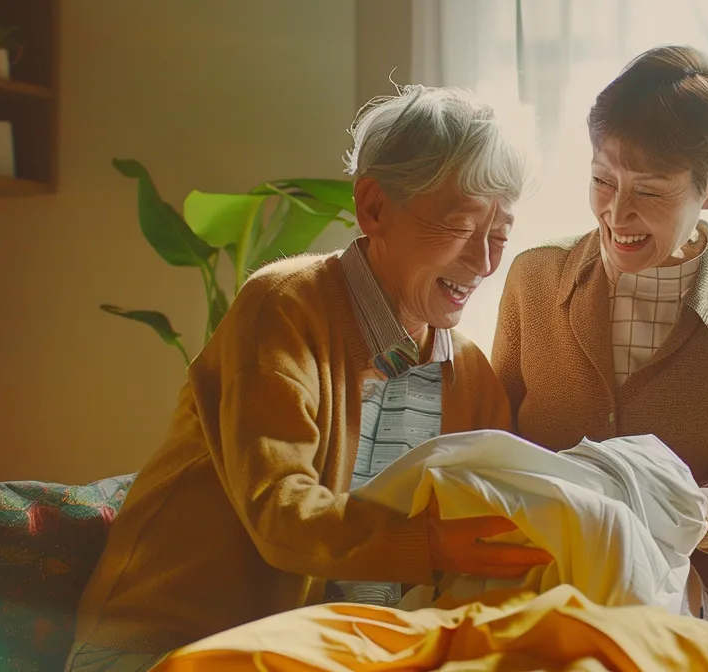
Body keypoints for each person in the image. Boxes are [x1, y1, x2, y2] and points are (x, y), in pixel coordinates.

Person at [68, 85, 550, 672]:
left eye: (499, 236)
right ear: (373, 208)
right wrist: (428, 544)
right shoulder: (283, 308)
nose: (484, 263)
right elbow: (282, 513)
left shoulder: (471, 376)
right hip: (168, 645)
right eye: (460, 227)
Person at [491, 45, 708, 635]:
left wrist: (679, 511)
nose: (617, 213)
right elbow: (492, 432)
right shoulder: (535, 278)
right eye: (602, 181)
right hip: (534, 603)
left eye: (651, 192)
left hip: (688, 613)